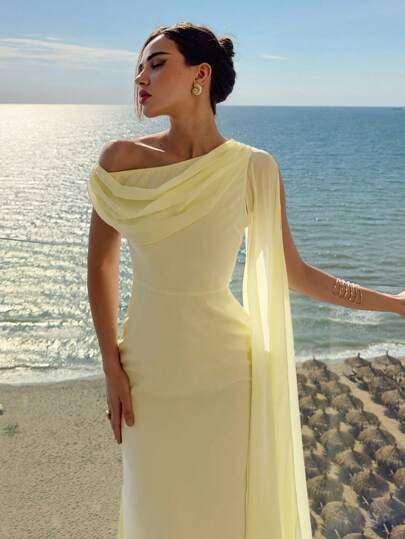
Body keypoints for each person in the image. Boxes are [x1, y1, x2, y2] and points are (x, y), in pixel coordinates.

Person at [87, 21, 405, 539]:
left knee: (223, 517)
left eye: (157, 63)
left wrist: (393, 303)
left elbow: (295, 274)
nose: (140, 77)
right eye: (138, 68)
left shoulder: (254, 168)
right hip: (146, 373)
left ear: (201, 75)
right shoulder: (121, 161)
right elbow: (100, 266)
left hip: (227, 374)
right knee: (153, 512)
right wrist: (111, 367)